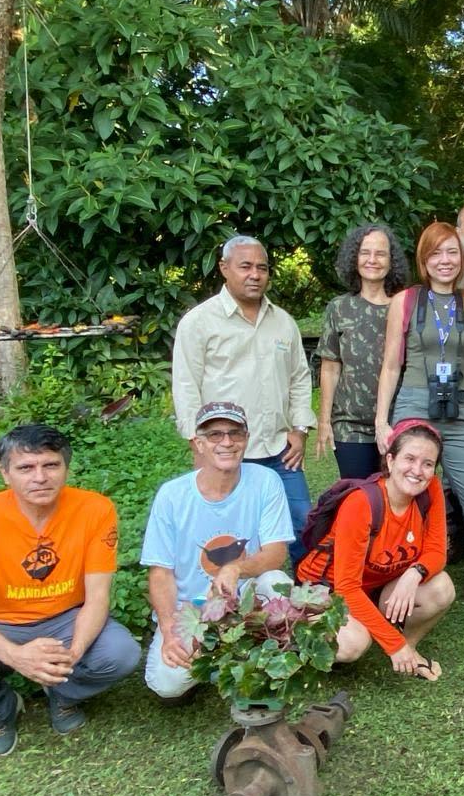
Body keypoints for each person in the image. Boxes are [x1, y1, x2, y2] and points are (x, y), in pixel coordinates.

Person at [0, 425, 140, 757]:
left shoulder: (95, 509)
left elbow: (97, 596)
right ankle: (1, 710)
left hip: (65, 617)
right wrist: (15, 656)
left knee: (121, 653)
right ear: (5, 473)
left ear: (65, 467)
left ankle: (64, 695)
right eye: (25, 468)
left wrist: (74, 652)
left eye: (50, 465)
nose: (39, 477)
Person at [373, 221, 464, 625]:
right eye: (436, 253)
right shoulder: (406, 301)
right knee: (408, 499)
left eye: (452, 252)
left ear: (462, 257)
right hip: (413, 407)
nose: (444, 261)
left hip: (461, 413)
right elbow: (392, 364)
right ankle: (397, 578)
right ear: (424, 260)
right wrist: (382, 420)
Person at [172, 235, 316, 564]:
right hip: (225, 449)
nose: (255, 274)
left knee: (303, 524)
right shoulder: (199, 323)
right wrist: (198, 443)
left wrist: (300, 429)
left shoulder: (283, 322)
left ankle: (310, 600)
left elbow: (298, 377)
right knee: (231, 532)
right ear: (224, 269)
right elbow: (185, 385)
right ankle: (233, 601)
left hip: (280, 449)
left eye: (262, 268)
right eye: (245, 266)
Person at [140, 402, 295, 703]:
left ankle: (260, 655)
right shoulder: (172, 496)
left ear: (246, 439)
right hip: (193, 608)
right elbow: (160, 573)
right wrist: (171, 630)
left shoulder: (266, 481)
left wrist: (237, 568)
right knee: (167, 684)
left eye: (234, 433)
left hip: (245, 599)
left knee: (277, 581)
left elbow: (276, 553)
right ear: (198, 443)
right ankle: (215, 655)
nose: (226, 442)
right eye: (214, 435)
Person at [297, 420, 453, 680]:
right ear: (390, 461)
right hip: (327, 588)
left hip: (373, 585)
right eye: (409, 459)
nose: (418, 470)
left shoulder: (431, 488)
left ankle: (409, 648)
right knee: (353, 643)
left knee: (441, 587)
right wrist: (393, 643)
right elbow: (346, 587)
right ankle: (296, 634)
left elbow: (437, 551)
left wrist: (414, 574)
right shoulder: (361, 503)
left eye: (428, 463)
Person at [315, 223, 412, 480]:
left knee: (395, 499)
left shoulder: (405, 307)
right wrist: (324, 421)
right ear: (354, 258)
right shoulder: (339, 308)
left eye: (380, 253)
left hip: (397, 423)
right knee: (357, 497)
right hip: (350, 425)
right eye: (365, 252)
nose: (372, 260)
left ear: (392, 261)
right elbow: (330, 367)